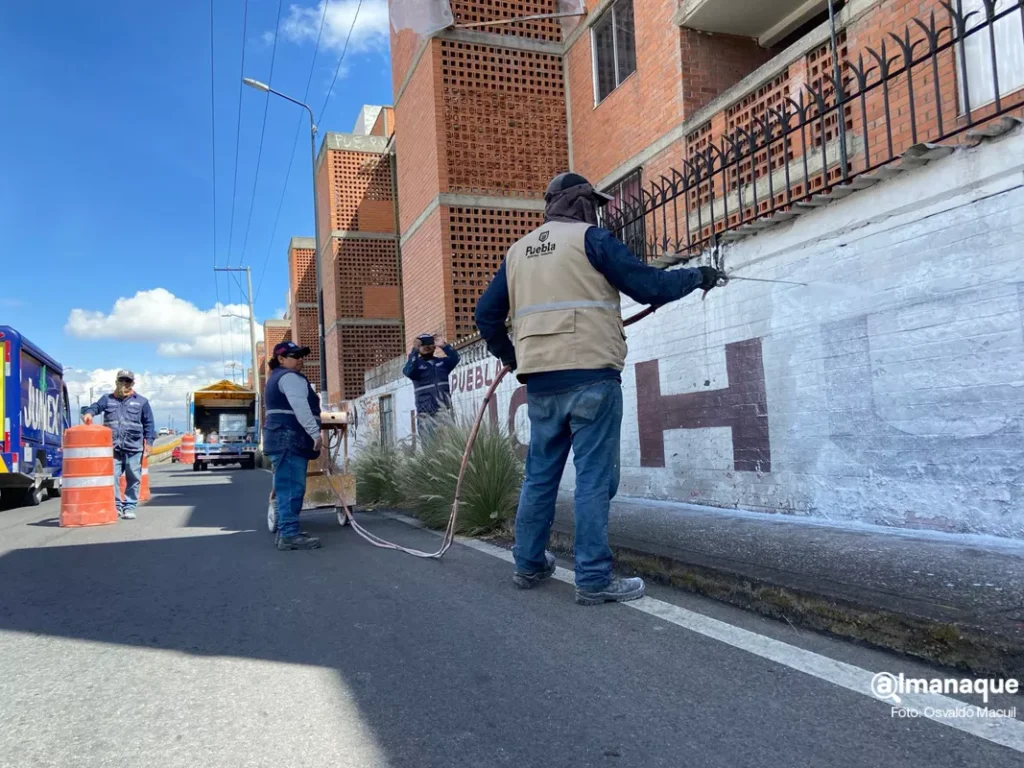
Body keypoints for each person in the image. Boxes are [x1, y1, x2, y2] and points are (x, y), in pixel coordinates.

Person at [474, 172, 724, 606]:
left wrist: (511, 356)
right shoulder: (592, 239)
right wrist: (699, 276)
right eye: (594, 203)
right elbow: (649, 286)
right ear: (581, 202)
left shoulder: (517, 253)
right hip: (591, 377)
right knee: (593, 479)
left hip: (541, 385)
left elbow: (485, 314)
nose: (598, 211)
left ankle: (528, 564)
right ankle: (592, 578)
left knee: (539, 477)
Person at [263, 341, 324, 551]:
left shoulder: (276, 377)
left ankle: (286, 531)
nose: (300, 360)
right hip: (288, 439)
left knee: (286, 487)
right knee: (291, 488)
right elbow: (301, 407)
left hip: (281, 438)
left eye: (301, 356)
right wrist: (315, 433)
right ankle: (289, 534)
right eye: (295, 356)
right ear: (281, 359)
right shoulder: (290, 378)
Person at [82, 370, 156, 520]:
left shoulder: (142, 401)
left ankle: (129, 507)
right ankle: (116, 507)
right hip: (112, 447)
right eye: (121, 380)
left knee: (133, 477)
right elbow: (95, 407)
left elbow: (149, 424)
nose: (124, 384)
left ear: (132, 383)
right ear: (116, 382)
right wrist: (89, 413)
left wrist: (149, 443)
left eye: (127, 381)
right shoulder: (107, 399)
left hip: (133, 446)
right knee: (112, 477)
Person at [402, 333, 461, 442]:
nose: (426, 346)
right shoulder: (416, 366)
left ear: (434, 346)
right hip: (426, 416)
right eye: (423, 344)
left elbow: (456, 358)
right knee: (431, 447)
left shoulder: (442, 363)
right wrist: (414, 350)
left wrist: (444, 345)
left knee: (451, 445)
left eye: (429, 343)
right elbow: (408, 371)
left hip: (445, 412)